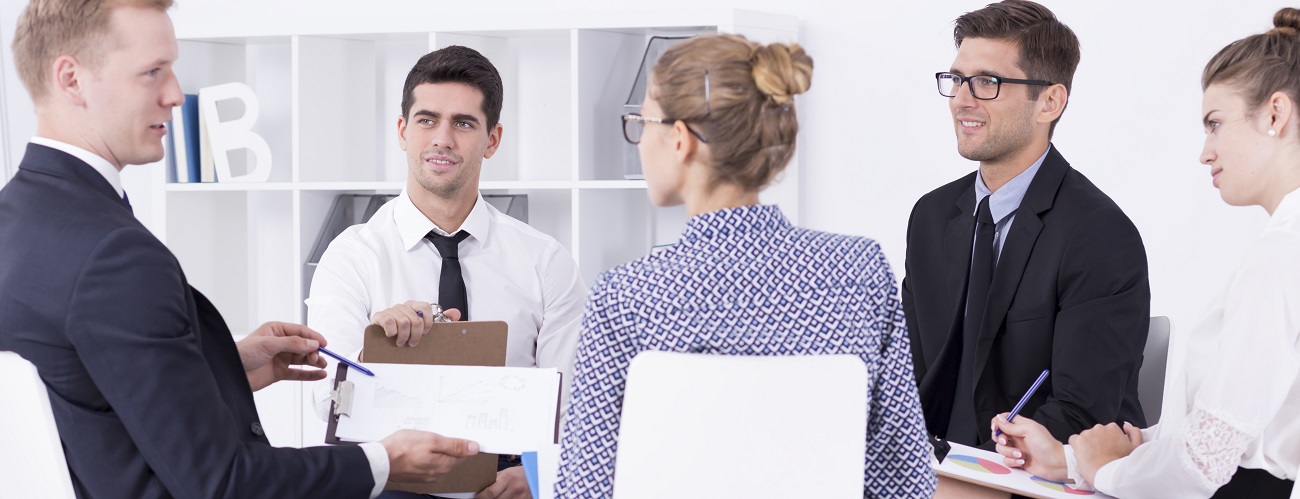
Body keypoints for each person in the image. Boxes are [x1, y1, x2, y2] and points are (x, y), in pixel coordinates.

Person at [0, 1, 479, 497]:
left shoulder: (18, 219)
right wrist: (384, 461)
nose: (174, 95)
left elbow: (89, 392)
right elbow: (224, 484)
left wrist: (220, 366)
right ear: (71, 79)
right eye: (153, 72)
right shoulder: (115, 256)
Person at [553, 34, 936, 499]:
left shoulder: (626, 296)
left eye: (642, 121)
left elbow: (582, 490)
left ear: (679, 140)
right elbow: (904, 478)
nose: (639, 140)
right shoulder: (860, 270)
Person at [992, 8, 1300, 498]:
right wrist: (1071, 458)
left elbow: (1206, 462)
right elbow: (1230, 436)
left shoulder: (1281, 256)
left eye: (1215, 124)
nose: (1205, 151)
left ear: (1275, 114)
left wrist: (1103, 472)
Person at [306, 45, 586, 499]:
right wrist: (377, 347)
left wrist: (537, 476)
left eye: (463, 123)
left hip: (504, 487)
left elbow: (572, 405)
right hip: (392, 487)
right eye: (426, 120)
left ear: (492, 139)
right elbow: (326, 400)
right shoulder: (352, 256)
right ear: (402, 131)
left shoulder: (545, 262)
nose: (442, 138)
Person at [903, 0, 1150, 448]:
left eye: (986, 82)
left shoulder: (1099, 235)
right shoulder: (931, 216)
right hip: (936, 467)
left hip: (1030, 474)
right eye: (957, 79)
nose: (961, 99)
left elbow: (1083, 409)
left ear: (1049, 102)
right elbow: (909, 374)